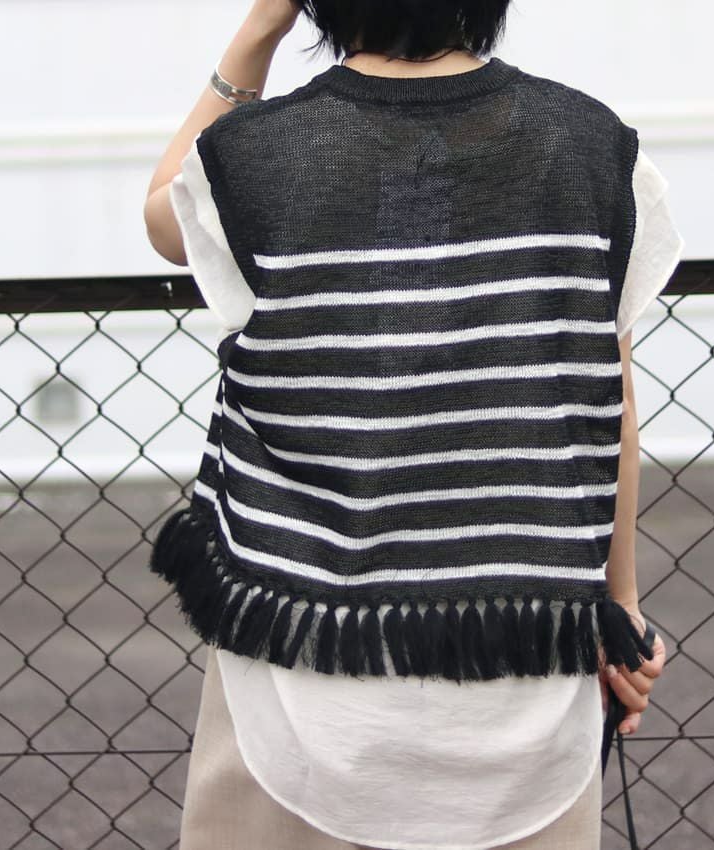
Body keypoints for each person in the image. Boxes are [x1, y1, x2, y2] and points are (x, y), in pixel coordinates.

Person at [143, 1, 678, 848]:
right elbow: (608, 404)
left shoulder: (249, 157)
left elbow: (162, 220)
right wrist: (621, 607)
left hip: (299, 648)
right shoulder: (590, 147)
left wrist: (259, 31)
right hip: (524, 654)